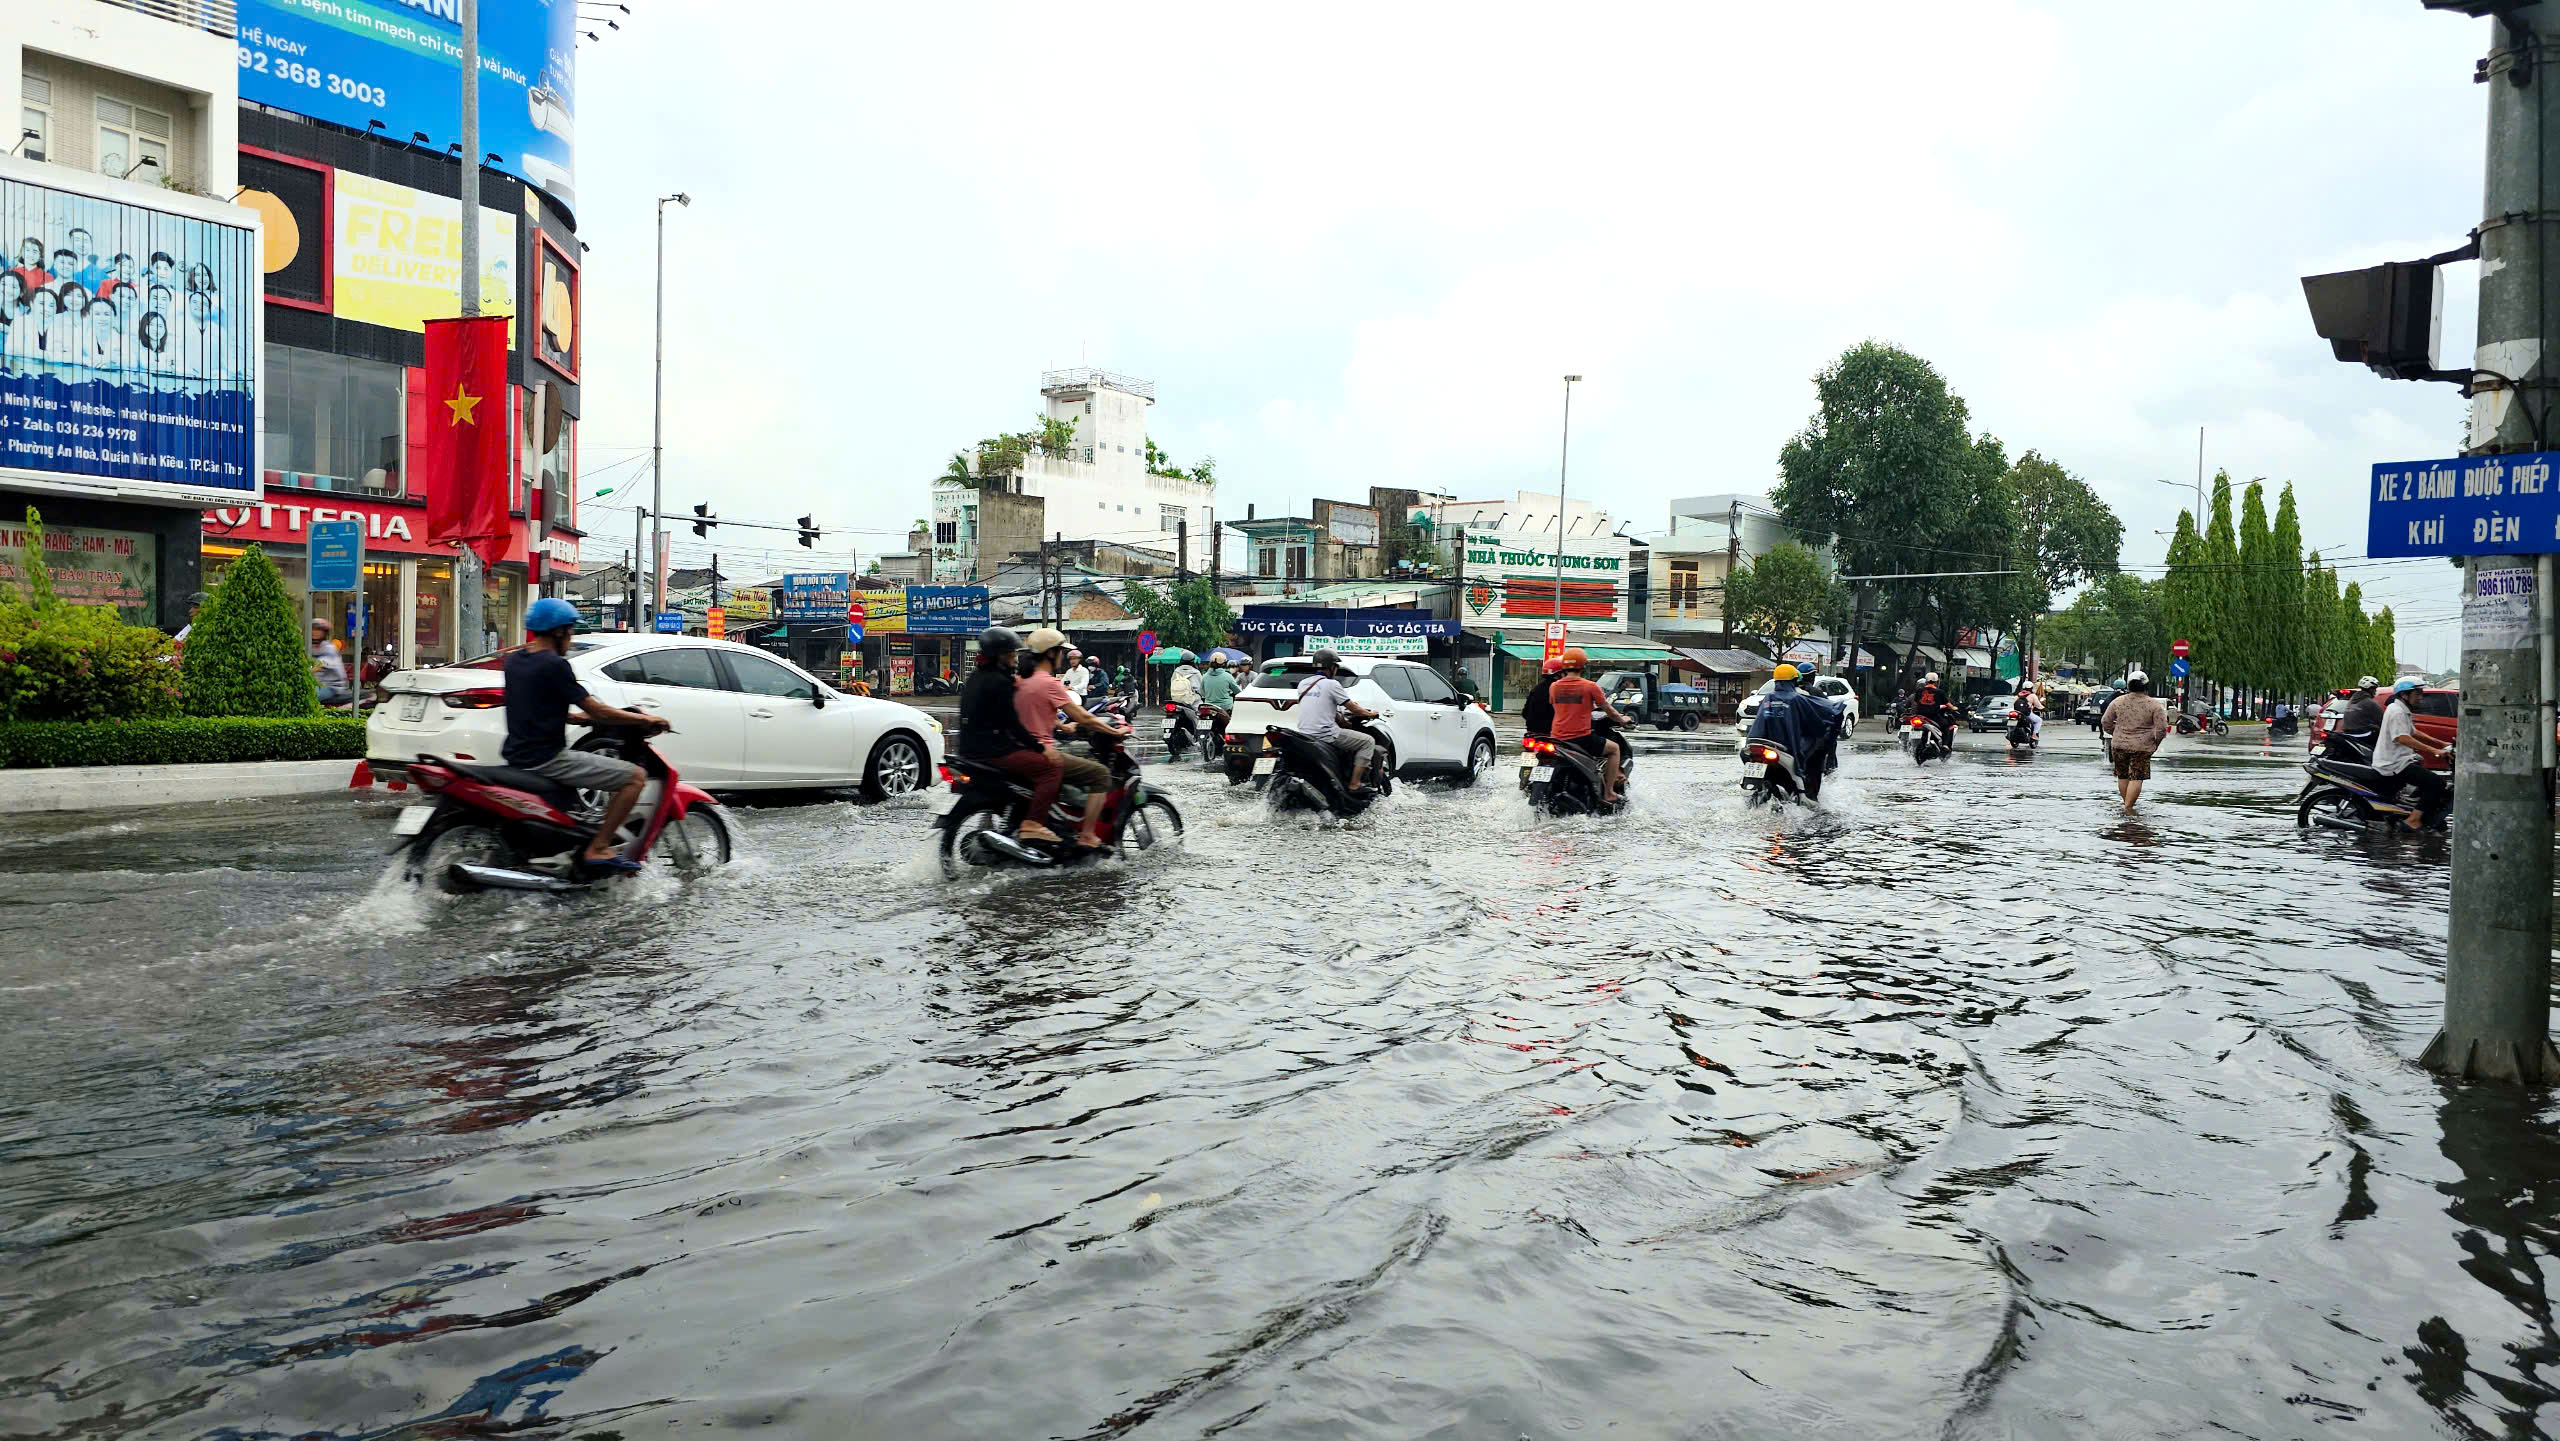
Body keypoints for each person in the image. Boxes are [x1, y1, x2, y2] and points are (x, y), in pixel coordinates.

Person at [503, 596, 669, 875]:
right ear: (559, 632)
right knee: (635, 777)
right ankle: (598, 848)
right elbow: (598, 711)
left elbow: (538, 704)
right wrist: (645, 718)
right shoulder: (554, 665)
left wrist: (578, 718)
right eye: (570, 631)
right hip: (547, 759)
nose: (571, 637)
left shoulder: (515, 661)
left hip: (516, 755)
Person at [954, 626, 1066, 844]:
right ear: (1000, 655)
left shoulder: (977, 677)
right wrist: (1041, 748)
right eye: (1011, 653)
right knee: (1053, 766)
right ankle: (1033, 823)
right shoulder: (1000, 682)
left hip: (971, 751)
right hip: (994, 752)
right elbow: (1013, 725)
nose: (1015, 658)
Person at [1017, 627, 1126, 849]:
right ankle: (1087, 835)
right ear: (1050, 653)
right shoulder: (1048, 682)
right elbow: (1084, 717)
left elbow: (1034, 710)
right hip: (1041, 750)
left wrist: (1061, 726)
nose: (1064, 658)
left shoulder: (1020, 680)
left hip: (1020, 748)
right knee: (1100, 774)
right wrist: (1115, 732)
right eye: (1060, 652)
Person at [1548, 648, 1632, 805]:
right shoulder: (1590, 686)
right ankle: (1609, 792)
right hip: (1581, 738)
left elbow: (1561, 708)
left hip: (1556, 738)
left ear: (1564, 666)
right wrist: (1622, 720)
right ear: (1583, 666)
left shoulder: (1554, 687)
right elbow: (1609, 710)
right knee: (1614, 749)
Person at [1747, 662, 1842, 798]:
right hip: (1790, 747)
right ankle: (1807, 795)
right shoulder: (1798, 698)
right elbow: (1818, 717)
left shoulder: (1768, 698)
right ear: (1794, 680)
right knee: (1813, 760)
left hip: (1762, 744)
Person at [1295, 648, 1383, 794]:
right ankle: (1355, 784)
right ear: (1332, 667)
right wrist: (1370, 714)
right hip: (1325, 734)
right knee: (1368, 742)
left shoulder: (1303, 684)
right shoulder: (1332, 684)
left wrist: (1341, 720)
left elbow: (1324, 707)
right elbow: (1354, 708)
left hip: (1305, 734)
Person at [2373, 678, 2454, 831]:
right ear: (2404, 694)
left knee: (2426, 779)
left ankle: (2419, 813)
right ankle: (2413, 820)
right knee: (2436, 783)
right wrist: (2434, 751)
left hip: (2400, 760)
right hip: (2395, 764)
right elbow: (2402, 737)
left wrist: (2441, 743)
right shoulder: (2397, 712)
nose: (2420, 697)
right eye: (2417, 693)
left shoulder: (2401, 709)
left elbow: (2413, 732)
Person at [2099, 670, 2170, 813]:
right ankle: (2128, 807)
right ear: (2146, 686)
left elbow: (2105, 721)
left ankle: (2126, 804)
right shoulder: (2154, 705)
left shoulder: (2117, 702)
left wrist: (2117, 733)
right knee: (2137, 776)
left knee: (2122, 775)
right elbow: (2162, 728)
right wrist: (2155, 743)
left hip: (2119, 744)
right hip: (2142, 746)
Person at [2330, 676, 2384, 760]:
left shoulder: (2352, 700)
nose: (2375, 691)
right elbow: (2382, 721)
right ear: (2371, 689)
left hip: (2348, 732)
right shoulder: (2370, 703)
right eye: (2374, 689)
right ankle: (2376, 760)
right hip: (2361, 733)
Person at [310, 618, 352, 707]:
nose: (315, 632)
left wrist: (304, 672)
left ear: (324, 633)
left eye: (319, 630)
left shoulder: (329, 648)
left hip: (332, 687)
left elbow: (318, 666)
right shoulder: (312, 648)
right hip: (317, 684)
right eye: (313, 629)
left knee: (308, 697)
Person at [1521, 656, 1565, 734]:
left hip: (1533, 732)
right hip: (1553, 733)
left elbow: (1525, 712)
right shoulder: (1559, 689)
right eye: (1564, 673)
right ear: (1558, 674)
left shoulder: (1536, 689)